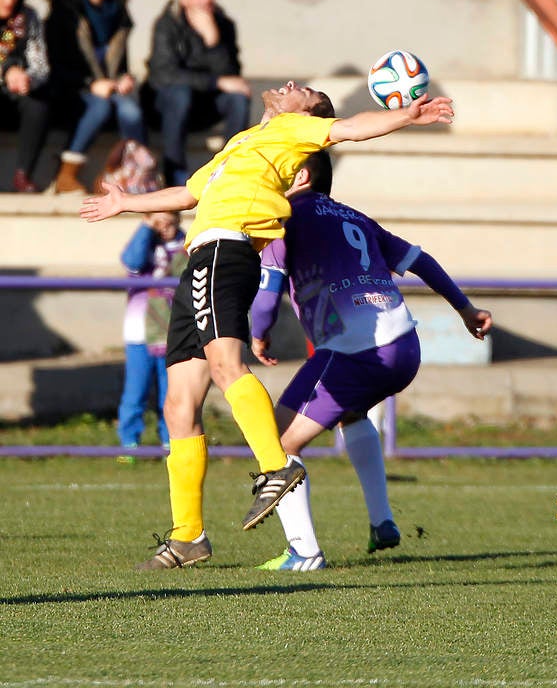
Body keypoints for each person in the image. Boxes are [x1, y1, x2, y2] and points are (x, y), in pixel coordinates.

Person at [80, 79, 454, 570]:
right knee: (178, 403)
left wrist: (405, 117)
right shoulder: (240, 143)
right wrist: (128, 202)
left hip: (225, 249)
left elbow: (353, 128)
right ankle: (188, 536)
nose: (289, 84)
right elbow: (190, 194)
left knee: (225, 366)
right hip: (200, 262)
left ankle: (276, 467)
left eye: (303, 89)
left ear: (307, 114)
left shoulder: (295, 130)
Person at [250, 149, 493, 570]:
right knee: (352, 413)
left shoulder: (283, 217)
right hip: (404, 344)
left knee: (277, 442)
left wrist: (258, 333)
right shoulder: (355, 216)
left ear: (302, 175)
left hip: (353, 347)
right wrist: (466, 309)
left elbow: (267, 295)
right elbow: (421, 261)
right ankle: (382, 521)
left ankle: (303, 552)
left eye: (281, 168)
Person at [44, 0, 146, 194]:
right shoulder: (63, 12)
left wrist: (124, 79)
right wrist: (90, 84)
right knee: (99, 106)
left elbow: (121, 64)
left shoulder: (119, 12)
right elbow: (54, 67)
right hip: (71, 89)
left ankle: (122, 176)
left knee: (131, 111)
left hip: (108, 89)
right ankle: (66, 175)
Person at [147, 0, 251, 187]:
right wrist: (215, 81)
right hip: (167, 107)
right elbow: (163, 74)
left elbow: (233, 76)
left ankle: (229, 174)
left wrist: (213, 42)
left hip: (205, 106)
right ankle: (174, 176)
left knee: (238, 98)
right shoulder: (167, 25)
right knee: (179, 94)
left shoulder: (224, 25)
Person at [117, 211, 187, 457]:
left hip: (175, 333)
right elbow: (132, 261)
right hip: (140, 333)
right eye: (158, 221)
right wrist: (147, 228)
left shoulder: (187, 246)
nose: (164, 227)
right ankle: (129, 443)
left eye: (169, 221)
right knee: (135, 392)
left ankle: (171, 441)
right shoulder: (144, 245)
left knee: (172, 393)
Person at [0, 0, 50, 193]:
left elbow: (40, 65)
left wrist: (25, 79)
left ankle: (23, 175)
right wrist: (6, 72)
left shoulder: (27, 17)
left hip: (21, 90)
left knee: (38, 107)